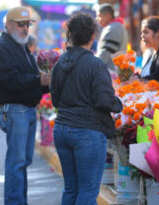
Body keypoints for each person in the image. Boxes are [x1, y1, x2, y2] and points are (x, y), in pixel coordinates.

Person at [50, 12, 123, 205]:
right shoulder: (95, 64)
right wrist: (119, 104)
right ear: (93, 37)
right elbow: (105, 100)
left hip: (62, 129)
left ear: (70, 35)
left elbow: (55, 100)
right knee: (87, 192)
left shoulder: (59, 64)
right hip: (88, 132)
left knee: (71, 189)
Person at [0, 6, 51, 205]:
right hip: (16, 110)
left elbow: (29, 78)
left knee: (23, 162)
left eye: (27, 24)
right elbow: (11, 81)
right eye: (21, 24)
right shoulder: (0, 48)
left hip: (26, 109)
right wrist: (40, 82)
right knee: (17, 163)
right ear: (8, 25)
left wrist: (47, 83)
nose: (25, 28)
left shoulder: (19, 45)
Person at [96, 3, 128, 71]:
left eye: (99, 16)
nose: (97, 19)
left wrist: (93, 65)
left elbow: (105, 54)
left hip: (111, 72)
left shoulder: (113, 28)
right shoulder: (117, 26)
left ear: (108, 16)